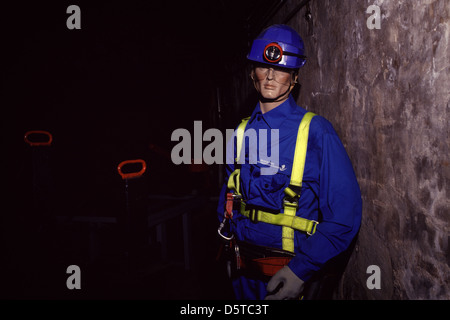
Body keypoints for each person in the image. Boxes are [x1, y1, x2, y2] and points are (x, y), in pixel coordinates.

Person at [216, 24, 362, 300]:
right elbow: (228, 198)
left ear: (294, 77)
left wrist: (300, 271)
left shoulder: (316, 131)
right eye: (263, 67)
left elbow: (345, 216)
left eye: (281, 69)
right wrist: (227, 253)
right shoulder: (240, 132)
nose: (270, 76)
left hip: (290, 279)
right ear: (252, 73)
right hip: (242, 274)